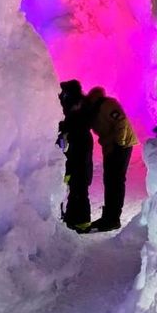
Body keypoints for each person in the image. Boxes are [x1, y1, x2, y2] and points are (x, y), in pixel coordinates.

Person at [86, 86, 138, 232]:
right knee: (110, 180)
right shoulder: (96, 109)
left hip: (121, 146)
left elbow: (121, 121)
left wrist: (118, 143)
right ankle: (108, 216)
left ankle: (113, 219)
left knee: (115, 181)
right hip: (112, 147)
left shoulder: (108, 105)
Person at [56, 79, 94, 229]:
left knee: (78, 185)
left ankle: (80, 221)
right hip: (80, 144)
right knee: (78, 186)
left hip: (78, 146)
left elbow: (70, 124)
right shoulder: (82, 107)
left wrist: (63, 128)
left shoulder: (77, 110)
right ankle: (77, 219)